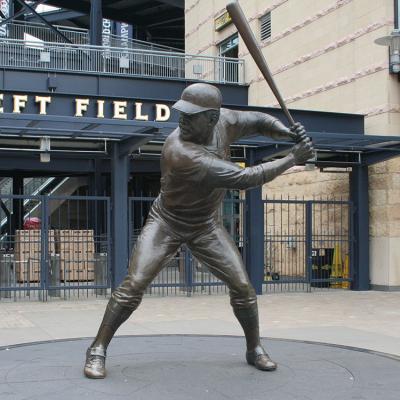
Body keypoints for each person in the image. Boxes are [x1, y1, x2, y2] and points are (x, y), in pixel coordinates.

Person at [84, 82, 314, 378]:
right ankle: (97, 349)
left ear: (212, 118)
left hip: (205, 224)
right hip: (167, 222)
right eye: (182, 112)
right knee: (134, 285)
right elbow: (245, 178)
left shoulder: (226, 120)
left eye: (191, 115)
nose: (182, 119)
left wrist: (286, 133)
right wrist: (293, 157)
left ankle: (254, 347)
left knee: (243, 287)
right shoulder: (180, 151)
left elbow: (258, 120)